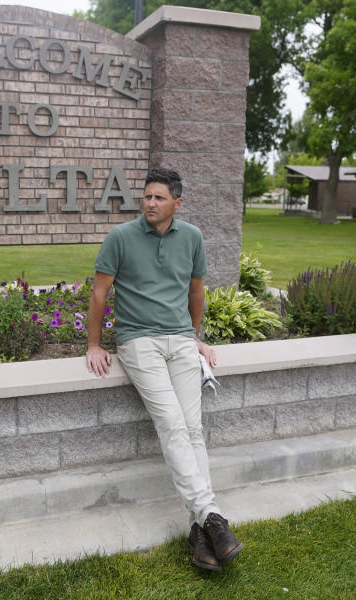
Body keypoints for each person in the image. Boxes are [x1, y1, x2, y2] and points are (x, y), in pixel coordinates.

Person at [85, 168, 244, 572]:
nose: (150, 203)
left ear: (177, 202)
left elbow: (195, 291)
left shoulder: (191, 237)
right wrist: (93, 344)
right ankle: (212, 515)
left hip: (180, 341)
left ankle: (200, 533)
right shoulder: (120, 238)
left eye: (159, 197)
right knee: (172, 423)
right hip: (139, 342)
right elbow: (100, 294)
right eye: (146, 196)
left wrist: (195, 337)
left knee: (193, 429)